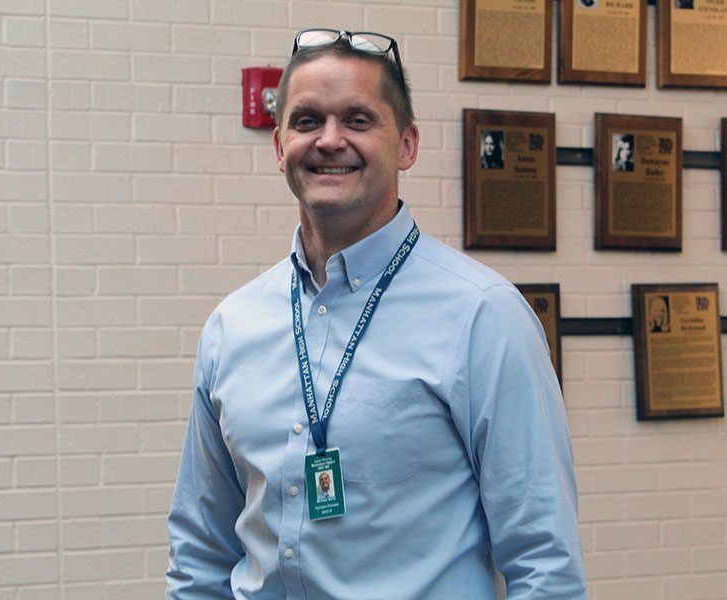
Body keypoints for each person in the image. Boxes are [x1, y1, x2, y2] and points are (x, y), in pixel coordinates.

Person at [166, 28, 585, 600]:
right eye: (307, 120)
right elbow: (201, 551)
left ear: (407, 145)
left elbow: (545, 562)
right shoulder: (232, 326)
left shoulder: (482, 316)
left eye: (358, 120)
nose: (329, 140)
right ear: (278, 144)